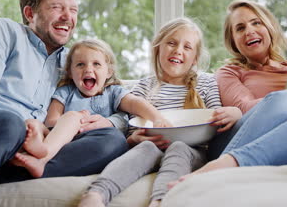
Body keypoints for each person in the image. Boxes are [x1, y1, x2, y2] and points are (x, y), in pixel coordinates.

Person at [0, 0, 128, 207]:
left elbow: (110, 95)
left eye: (73, 10)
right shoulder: (4, 31)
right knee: (8, 123)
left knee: (113, 140)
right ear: (30, 13)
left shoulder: (74, 62)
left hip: (30, 148)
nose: (68, 17)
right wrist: (20, 127)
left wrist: (112, 122)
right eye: (57, 7)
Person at [168, 0, 287, 188]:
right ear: (233, 40)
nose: (249, 31)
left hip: (286, 140)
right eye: (240, 28)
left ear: (270, 27)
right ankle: (224, 163)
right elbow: (244, 108)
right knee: (286, 99)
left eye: (256, 23)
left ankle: (229, 167)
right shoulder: (229, 72)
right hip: (237, 139)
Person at [78, 17, 242, 207]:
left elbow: (216, 118)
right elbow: (132, 131)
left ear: (195, 58)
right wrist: (134, 139)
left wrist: (235, 112)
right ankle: (96, 195)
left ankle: (161, 201)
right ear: (158, 49)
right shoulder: (144, 87)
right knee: (146, 148)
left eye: (187, 47)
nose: (178, 50)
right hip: (152, 147)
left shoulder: (205, 82)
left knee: (179, 147)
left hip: (193, 152)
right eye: (171, 43)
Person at [12, 39, 172, 178]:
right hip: (62, 142)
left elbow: (135, 103)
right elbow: (51, 121)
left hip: (93, 145)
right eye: (80, 64)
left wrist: (157, 118)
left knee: (115, 139)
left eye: (96, 64)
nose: (88, 69)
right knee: (36, 123)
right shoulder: (66, 92)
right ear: (70, 72)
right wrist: (75, 122)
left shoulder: (113, 92)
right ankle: (41, 152)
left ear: (108, 71)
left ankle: (42, 156)